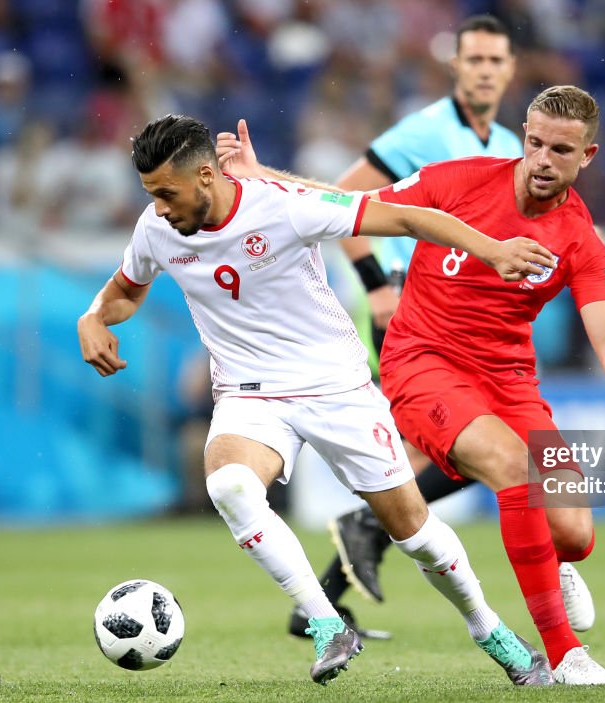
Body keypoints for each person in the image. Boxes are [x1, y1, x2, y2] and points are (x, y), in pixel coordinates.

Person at [217, 85, 605, 685]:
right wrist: (258, 173)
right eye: (534, 143)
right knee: (510, 467)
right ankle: (563, 654)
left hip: (512, 381)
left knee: (575, 535)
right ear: (522, 138)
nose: (543, 159)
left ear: (589, 156)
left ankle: (553, 566)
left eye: (561, 149)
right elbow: (349, 205)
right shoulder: (457, 181)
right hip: (422, 364)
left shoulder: (580, 238)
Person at [76, 114, 557, 686]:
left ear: (206, 175)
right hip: (250, 395)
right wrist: (94, 315)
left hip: (337, 388)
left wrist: (492, 250)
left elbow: (404, 215)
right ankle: (328, 624)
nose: (158, 208)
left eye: (165, 194)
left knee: (414, 534)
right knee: (229, 485)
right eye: (150, 196)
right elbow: (126, 290)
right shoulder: (157, 229)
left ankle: (489, 629)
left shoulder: (283, 207)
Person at [276, 14, 604, 642]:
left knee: (448, 449)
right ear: (453, 66)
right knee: (439, 448)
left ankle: (334, 576)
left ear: (511, 71)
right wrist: (376, 284)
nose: (484, 70)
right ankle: (351, 549)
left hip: (466, 323)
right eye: (473, 59)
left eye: (495, 61)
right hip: (405, 312)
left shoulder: (519, 142)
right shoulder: (424, 131)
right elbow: (345, 200)